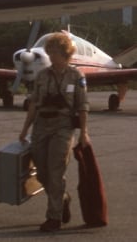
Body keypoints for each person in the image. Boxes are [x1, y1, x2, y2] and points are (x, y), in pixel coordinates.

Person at [19, 32, 91, 232]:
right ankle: (63, 198)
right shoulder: (42, 75)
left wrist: (84, 132)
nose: (50, 56)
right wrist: (24, 129)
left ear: (64, 53)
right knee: (42, 174)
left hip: (63, 127)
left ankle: (54, 217)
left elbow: (83, 106)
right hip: (41, 126)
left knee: (56, 171)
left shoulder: (76, 76)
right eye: (49, 52)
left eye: (54, 53)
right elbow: (34, 103)